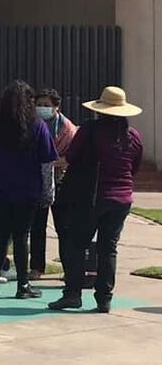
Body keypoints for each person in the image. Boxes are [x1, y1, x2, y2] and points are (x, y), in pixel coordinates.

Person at [49, 86, 143, 313]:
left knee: (76, 244)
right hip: (122, 198)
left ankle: (72, 294)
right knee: (108, 248)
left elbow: (72, 156)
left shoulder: (90, 130)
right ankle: (104, 299)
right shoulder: (132, 136)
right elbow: (134, 167)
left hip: (91, 196)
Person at [0, 80, 57, 299]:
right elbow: (46, 163)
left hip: (2, 188)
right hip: (28, 190)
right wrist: (48, 192)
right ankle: (23, 285)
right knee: (22, 237)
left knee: (0, 235)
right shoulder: (38, 125)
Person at [29, 89, 78, 280]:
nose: (42, 108)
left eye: (46, 105)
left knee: (64, 228)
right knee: (37, 227)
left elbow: (74, 155)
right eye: (39, 104)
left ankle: (69, 268)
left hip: (61, 182)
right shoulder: (31, 125)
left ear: (56, 107)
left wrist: (53, 162)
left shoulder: (68, 129)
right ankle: (36, 267)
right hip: (37, 180)